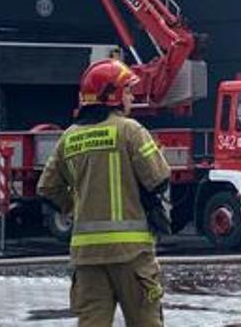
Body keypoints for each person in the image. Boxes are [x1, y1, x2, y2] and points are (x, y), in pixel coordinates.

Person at [38, 60, 173, 327]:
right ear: (112, 96)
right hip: (131, 255)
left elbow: (46, 188)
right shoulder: (130, 130)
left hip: (86, 257)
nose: (131, 97)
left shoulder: (69, 137)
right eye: (128, 91)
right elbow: (159, 180)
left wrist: (77, 207)